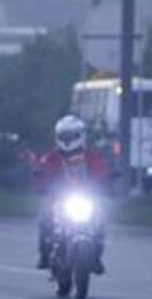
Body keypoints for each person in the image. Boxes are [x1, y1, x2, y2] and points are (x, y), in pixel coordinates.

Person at [34, 115, 112, 273]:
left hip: (86, 197)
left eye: (72, 136)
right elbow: (43, 169)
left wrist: (108, 178)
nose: (68, 140)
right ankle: (44, 255)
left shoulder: (91, 156)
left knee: (100, 218)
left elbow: (102, 169)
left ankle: (96, 256)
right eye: (64, 136)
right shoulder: (53, 157)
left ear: (81, 136)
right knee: (45, 218)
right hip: (60, 198)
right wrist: (41, 179)